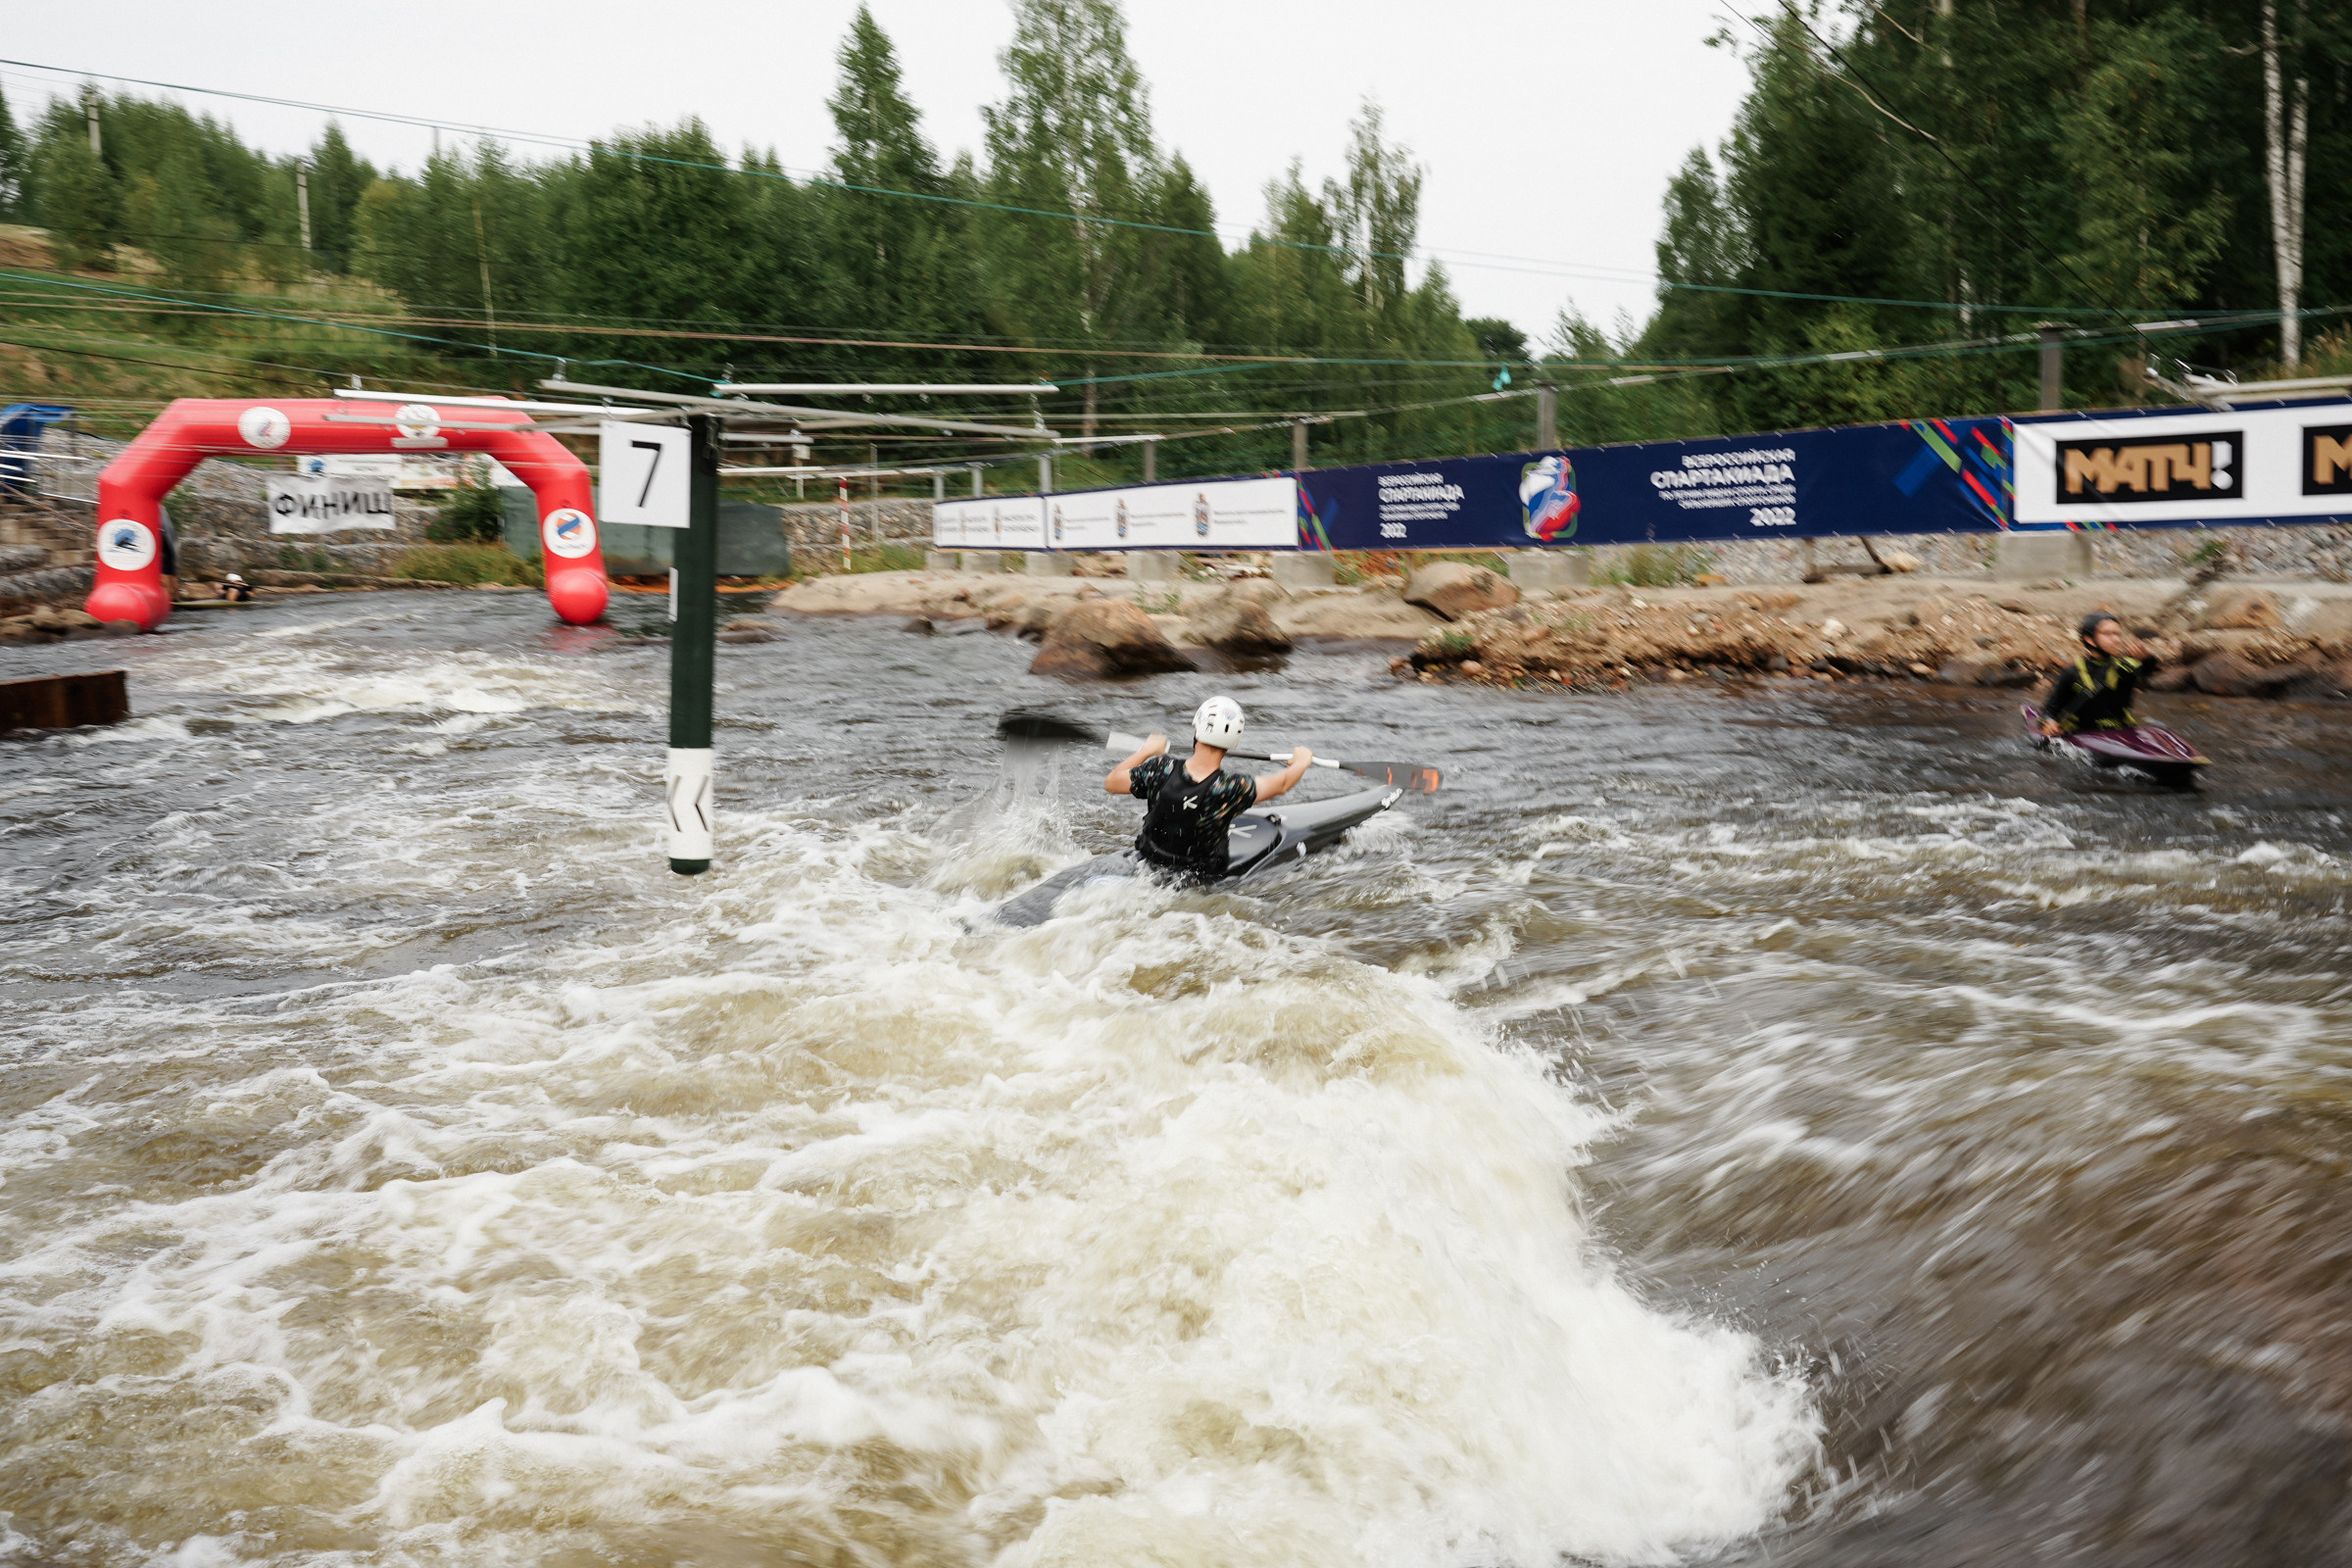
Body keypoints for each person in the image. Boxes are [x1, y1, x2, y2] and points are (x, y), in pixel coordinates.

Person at [1106, 695, 1312, 883]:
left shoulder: (1160, 767)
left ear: (1197, 730)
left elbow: (1112, 782)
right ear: (1234, 741)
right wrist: (1301, 762)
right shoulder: (1229, 788)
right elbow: (1283, 784)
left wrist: (1146, 751)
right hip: (1194, 880)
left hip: (1146, 863)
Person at [2040, 612, 2159, 736]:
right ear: (2090, 640)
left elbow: (2148, 672)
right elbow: (2050, 710)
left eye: (2117, 634)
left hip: (2122, 735)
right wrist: (2049, 722)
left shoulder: (2126, 668)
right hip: (2084, 736)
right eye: (2107, 634)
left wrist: (2148, 659)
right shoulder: (2072, 673)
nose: (2116, 639)